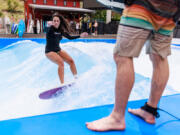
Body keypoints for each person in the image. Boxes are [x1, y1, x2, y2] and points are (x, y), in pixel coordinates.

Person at [86, 0, 180, 131]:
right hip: (172, 7)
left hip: (143, 4)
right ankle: (150, 110)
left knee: (123, 55)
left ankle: (117, 117)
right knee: (159, 57)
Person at [45, 13, 88, 85]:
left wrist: (80, 36)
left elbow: (70, 37)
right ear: (52, 21)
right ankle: (62, 84)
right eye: (54, 21)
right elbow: (48, 29)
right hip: (49, 51)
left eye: (57, 21)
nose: (55, 22)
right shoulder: (50, 29)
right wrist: (49, 25)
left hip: (58, 50)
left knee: (71, 61)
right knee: (61, 63)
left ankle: (76, 79)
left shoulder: (60, 30)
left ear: (60, 22)